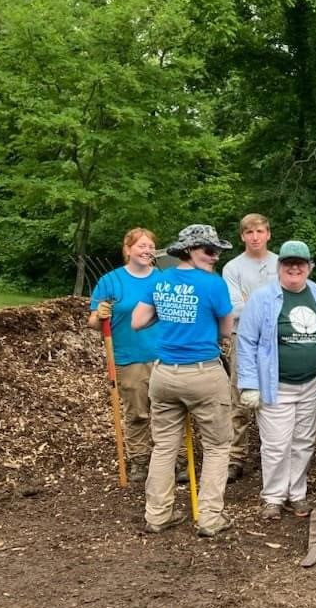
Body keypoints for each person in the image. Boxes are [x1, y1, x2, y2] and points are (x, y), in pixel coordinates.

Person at [132, 224, 235, 537]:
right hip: (203, 373)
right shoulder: (213, 284)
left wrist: (167, 315)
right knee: (218, 447)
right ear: (190, 250)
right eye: (208, 249)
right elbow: (226, 331)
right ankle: (209, 519)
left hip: (164, 374)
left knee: (164, 447)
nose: (215, 255)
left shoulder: (161, 280)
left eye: (217, 251)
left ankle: (157, 515)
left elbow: (137, 322)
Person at [236, 241, 316, 521]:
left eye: (300, 263)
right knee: (277, 444)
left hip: (311, 383)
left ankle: (297, 494)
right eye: (289, 263)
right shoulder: (263, 297)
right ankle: (273, 497)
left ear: (308, 267)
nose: (294, 268)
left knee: (303, 441)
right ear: (279, 267)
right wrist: (249, 383)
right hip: (275, 384)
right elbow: (246, 341)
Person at [87, 228, 161, 483]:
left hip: (163, 356)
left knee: (167, 412)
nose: (146, 250)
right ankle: (140, 460)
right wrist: (100, 314)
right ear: (128, 250)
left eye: (150, 246)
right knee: (137, 413)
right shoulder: (111, 281)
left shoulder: (162, 279)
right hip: (129, 357)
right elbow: (93, 322)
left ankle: (174, 460)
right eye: (140, 246)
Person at [221, 213, 278, 483]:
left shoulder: (280, 264)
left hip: (275, 340)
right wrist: (265, 303)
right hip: (241, 338)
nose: (255, 237)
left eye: (259, 231)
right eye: (249, 232)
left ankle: (272, 455)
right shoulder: (232, 268)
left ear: (268, 233)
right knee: (239, 399)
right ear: (242, 236)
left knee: (275, 398)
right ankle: (236, 456)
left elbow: (284, 305)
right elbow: (233, 306)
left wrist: (251, 301)